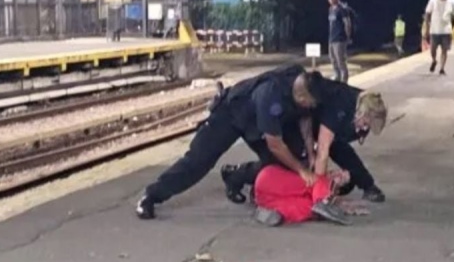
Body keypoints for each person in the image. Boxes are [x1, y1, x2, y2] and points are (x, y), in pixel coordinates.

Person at [135, 65, 323, 219]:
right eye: (310, 103)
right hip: (231, 113)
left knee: (278, 165)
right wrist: (302, 169)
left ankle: (236, 176)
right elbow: (275, 144)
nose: (312, 107)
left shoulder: (302, 79)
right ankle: (151, 196)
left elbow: (304, 117)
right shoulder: (271, 95)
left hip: (256, 123)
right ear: (300, 96)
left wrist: (310, 152)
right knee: (198, 161)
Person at [221, 82, 389, 205]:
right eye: (364, 123)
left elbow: (338, 147)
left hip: (324, 123)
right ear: (359, 113)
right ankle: (236, 175)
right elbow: (323, 151)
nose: (365, 128)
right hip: (301, 120)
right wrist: (320, 195)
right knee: (287, 162)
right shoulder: (339, 107)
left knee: (342, 151)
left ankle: (367, 185)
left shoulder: (367, 101)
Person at [252, 165, 353, 227]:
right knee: (315, 192)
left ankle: (265, 211)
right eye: (339, 172)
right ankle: (322, 203)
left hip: (266, 199)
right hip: (269, 179)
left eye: (341, 177)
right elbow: (320, 184)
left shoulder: (310, 200)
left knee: (307, 209)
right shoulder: (320, 179)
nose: (337, 173)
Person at [424, 0, 454, 76]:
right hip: (434, 30)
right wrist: (427, 27)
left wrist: (448, 20)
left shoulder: (452, 0)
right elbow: (427, 13)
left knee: (444, 50)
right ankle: (434, 60)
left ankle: (442, 68)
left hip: (446, 31)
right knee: (432, 49)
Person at [328, 0, 352, 83]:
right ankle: (337, 77)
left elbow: (347, 24)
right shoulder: (330, 9)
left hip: (340, 39)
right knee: (333, 60)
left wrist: (347, 37)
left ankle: (344, 80)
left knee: (340, 61)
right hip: (332, 39)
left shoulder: (342, 9)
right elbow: (331, 24)